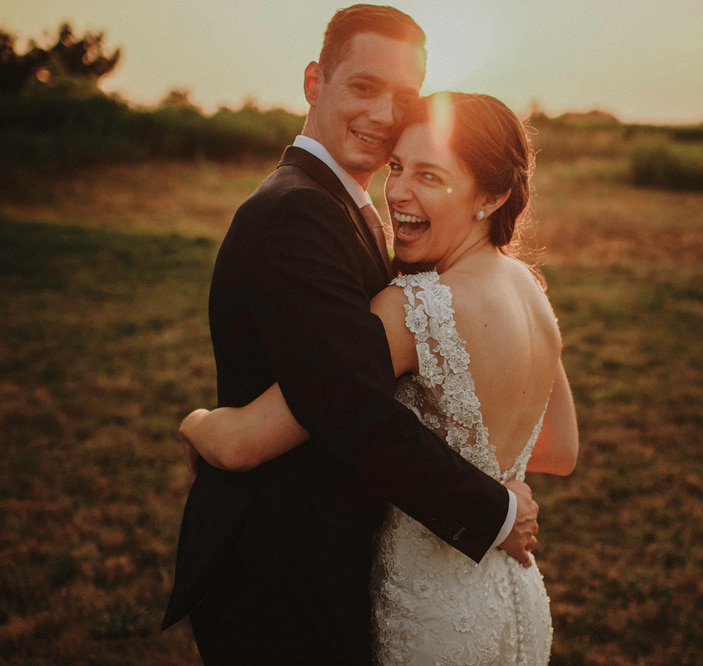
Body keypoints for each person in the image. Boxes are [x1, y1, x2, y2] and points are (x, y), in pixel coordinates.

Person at [161, 6, 541, 664]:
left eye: (404, 97)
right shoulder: (297, 211)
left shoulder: (349, 206)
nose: (385, 114)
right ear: (314, 82)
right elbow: (350, 407)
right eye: (363, 88)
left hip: (326, 555)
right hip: (280, 568)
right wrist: (496, 510)